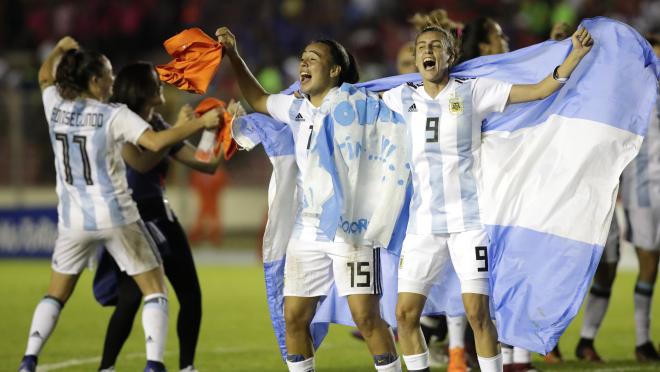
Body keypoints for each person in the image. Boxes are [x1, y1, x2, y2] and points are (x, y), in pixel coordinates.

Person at [382, 23, 593, 372]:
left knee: (478, 313)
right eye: (421, 47)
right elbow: (357, 99)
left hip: (469, 223)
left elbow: (540, 91)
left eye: (436, 46)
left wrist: (573, 58)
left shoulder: (474, 91)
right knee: (404, 315)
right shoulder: (401, 96)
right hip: (423, 227)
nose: (427, 52)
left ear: (451, 55)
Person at [18, 37, 218, 372]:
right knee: (154, 291)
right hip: (116, 213)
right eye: (108, 75)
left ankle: (29, 359)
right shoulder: (113, 114)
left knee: (55, 294)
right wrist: (196, 125)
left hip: (72, 219)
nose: (113, 81)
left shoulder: (55, 105)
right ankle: (154, 365)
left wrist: (60, 47)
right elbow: (151, 144)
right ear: (94, 81)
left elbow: (43, 76)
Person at [215, 27, 401, 372]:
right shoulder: (297, 109)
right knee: (294, 317)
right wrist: (234, 56)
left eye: (313, 59)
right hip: (308, 231)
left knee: (367, 317)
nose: (303, 64)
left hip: (352, 232)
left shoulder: (360, 106)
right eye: (302, 59)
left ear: (334, 71)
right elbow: (257, 99)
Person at [93, 62, 239, 372]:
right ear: (142, 91)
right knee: (131, 298)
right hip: (130, 218)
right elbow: (142, 163)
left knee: (191, 295)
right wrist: (180, 130)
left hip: (161, 213)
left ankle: (186, 367)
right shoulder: (119, 121)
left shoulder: (158, 123)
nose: (161, 87)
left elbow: (207, 164)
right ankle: (106, 367)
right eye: (156, 84)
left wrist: (221, 130)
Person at [572, 33, 660, 363]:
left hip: (640, 191)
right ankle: (563, 339)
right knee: (609, 266)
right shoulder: (623, 96)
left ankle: (638, 341)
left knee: (644, 265)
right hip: (634, 191)